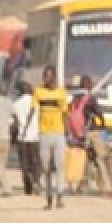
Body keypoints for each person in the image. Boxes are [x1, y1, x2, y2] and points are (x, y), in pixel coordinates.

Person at [33, 65, 70, 209]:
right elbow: (32, 110)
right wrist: (26, 130)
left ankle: (60, 197)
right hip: (44, 134)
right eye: (44, 75)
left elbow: (65, 114)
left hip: (59, 134)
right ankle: (48, 198)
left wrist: (67, 133)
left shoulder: (61, 93)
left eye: (48, 75)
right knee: (46, 168)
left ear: (54, 77)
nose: (46, 78)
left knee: (60, 166)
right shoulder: (38, 92)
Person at [77, 75, 112, 196]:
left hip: (82, 133)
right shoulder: (91, 99)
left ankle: (82, 186)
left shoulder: (76, 98)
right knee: (102, 158)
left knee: (86, 159)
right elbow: (99, 113)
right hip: (95, 131)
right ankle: (106, 188)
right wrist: (104, 126)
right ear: (89, 85)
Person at [12, 81, 42, 195]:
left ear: (19, 91)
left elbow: (14, 123)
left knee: (24, 163)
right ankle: (36, 181)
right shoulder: (36, 102)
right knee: (36, 162)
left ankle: (28, 188)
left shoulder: (15, 104)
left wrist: (13, 138)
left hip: (22, 138)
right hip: (35, 137)